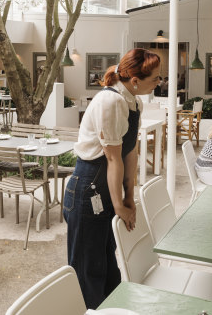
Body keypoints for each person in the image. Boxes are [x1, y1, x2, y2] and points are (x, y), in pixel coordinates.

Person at [63, 48, 161, 309]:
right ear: (136, 80)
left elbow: (130, 153)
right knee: (87, 269)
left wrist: (130, 198)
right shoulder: (111, 102)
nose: (158, 83)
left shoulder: (134, 102)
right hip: (88, 188)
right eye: (155, 79)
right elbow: (112, 158)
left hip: (107, 184)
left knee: (107, 261)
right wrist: (119, 205)